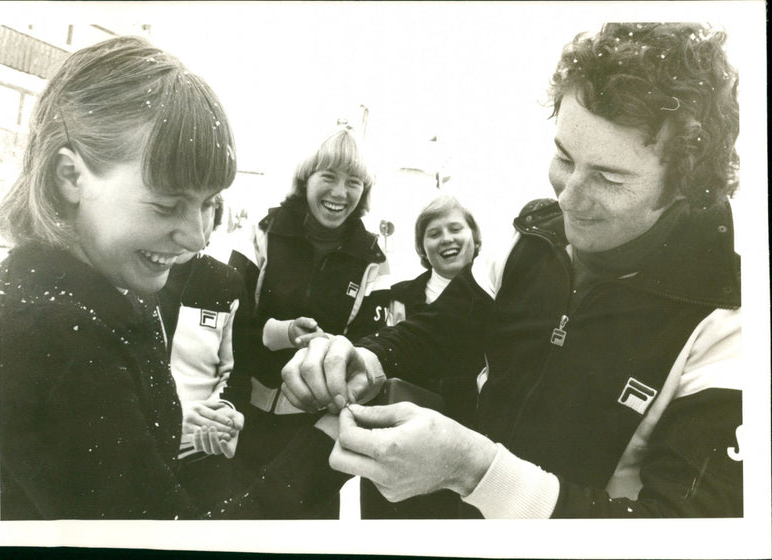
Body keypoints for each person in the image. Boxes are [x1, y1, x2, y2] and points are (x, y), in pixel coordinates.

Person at [280, 22, 743, 518]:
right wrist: (371, 359)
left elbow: (685, 530)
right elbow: (443, 329)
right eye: (564, 157)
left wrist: (477, 473)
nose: (567, 198)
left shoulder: (725, 322)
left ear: (685, 185)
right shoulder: (532, 241)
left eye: (609, 178)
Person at [0, 36, 343, 520]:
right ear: (70, 177)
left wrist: (177, 426)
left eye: (207, 204)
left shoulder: (64, 298)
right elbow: (162, 537)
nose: (196, 237)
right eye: (167, 205)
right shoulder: (55, 339)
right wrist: (326, 447)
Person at [220, 127, 392, 514]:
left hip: (312, 437)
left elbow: (372, 350)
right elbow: (231, 328)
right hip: (243, 418)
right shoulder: (262, 233)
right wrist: (285, 334)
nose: (340, 193)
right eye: (328, 177)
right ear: (305, 180)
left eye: (353, 182)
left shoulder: (373, 261)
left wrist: (333, 352)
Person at [361, 194, 484, 518]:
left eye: (455, 228)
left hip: (467, 445)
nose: (446, 239)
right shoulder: (397, 296)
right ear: (422, 247)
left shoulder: (497, 299)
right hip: (399, 439)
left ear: (474, 236)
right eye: (434, 233)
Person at [157, 195, 258, 510]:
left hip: (202, 454)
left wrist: (222, 411)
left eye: (207, 206)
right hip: (139, 449)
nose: (194, 218)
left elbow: (238, 368)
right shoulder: (131, 273)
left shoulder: (226, 282)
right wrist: (169, 420)